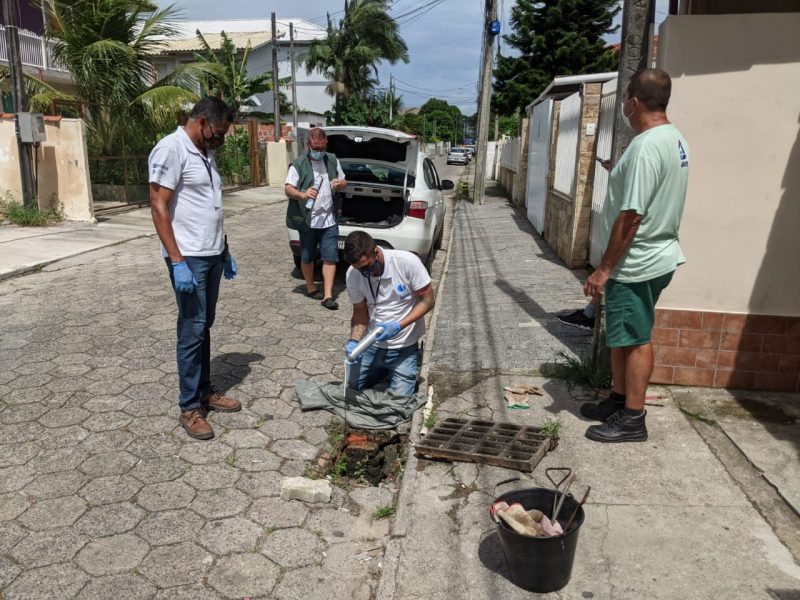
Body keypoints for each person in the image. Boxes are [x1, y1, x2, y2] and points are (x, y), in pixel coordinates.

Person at [580, 68, 690, 443]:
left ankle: (633, 418)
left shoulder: (646, 146)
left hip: (637, 261)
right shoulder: (673, 139)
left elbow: (632, 215)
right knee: (621, 335)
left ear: (633, 102)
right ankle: (619, 398)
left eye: (626, 99)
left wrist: (603, 269)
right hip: (656, 254)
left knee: (635, 338)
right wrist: (619, 170)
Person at [149, 97, 241, 441]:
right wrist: (177, 261)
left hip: (212, 254)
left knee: (205, 326)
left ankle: (204, 390)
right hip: (188, 257)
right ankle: (189, 406)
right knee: (191, 330)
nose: (220, 139)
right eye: (217, 132)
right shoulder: (170, 149)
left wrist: (224, 249)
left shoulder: (205, 152)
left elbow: (208, 206)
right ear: (202, 122)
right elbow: (158, 206)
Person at [343, 231, 435, 397]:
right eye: (360, 269)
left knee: (400, 400)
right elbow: (359, 313)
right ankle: (382, 370)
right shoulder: (353, 273)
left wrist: (398, 325)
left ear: (376, 252)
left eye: (368, 267)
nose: (366, 273)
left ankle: (408, 363)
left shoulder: (407, 262)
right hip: (373, 344)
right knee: (353, 386)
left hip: (404, 346)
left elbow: (428, 301)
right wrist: (354, 341)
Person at [285, 127, 347, 310]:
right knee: (306, 256)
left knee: (330, 257)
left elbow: (344, 181)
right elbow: (288, 188)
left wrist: (341, 183)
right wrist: (303, 195)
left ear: (326, 144)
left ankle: (328, 295)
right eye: (315, 148)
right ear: (308, 145)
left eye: (322, 148)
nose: (319, 152)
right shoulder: (298, 164)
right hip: (307, 220)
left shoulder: (333, 160)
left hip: (329, 220)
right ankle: (311, 287)